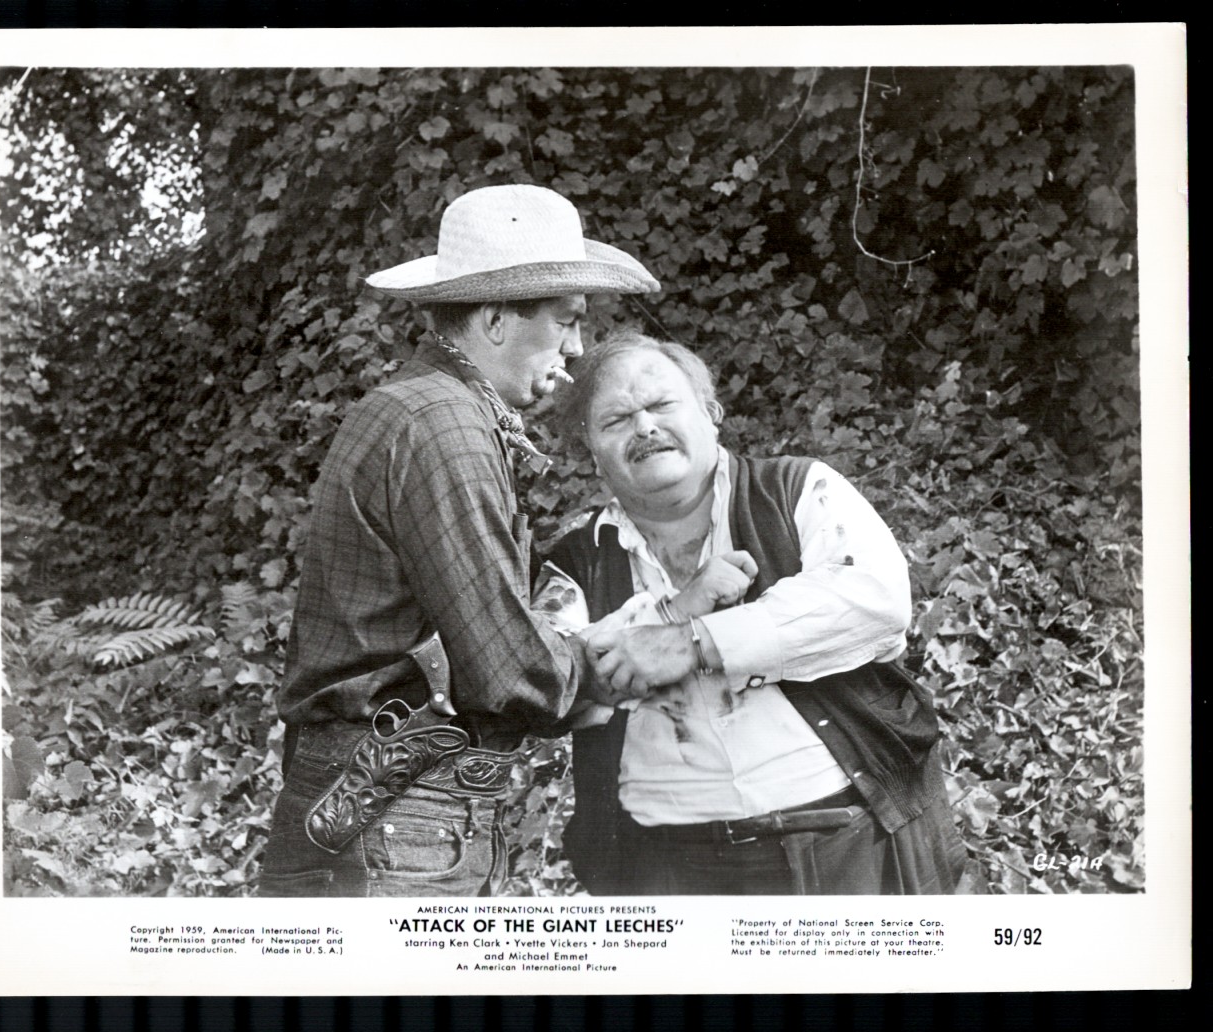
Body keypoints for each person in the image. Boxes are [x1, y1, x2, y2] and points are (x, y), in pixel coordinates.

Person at [257, 185, 659, 897]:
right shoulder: (444, 425)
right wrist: (603, 659)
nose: (577, 348)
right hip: (397, 818)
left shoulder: (427, 407)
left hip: (382, 806)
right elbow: (507, 674)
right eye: (567, 321)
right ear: (497, 320)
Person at [547, 331, 970, 896]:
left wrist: (695, 641)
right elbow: (548, 680)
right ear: (593, 455)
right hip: (663, 866)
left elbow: (875, 601)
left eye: (662, 404)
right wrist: (673, 612)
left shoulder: (798, 490)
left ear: (711, 415)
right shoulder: (575, 563)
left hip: (847, 839)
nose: (644, 427)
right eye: (616, 420)